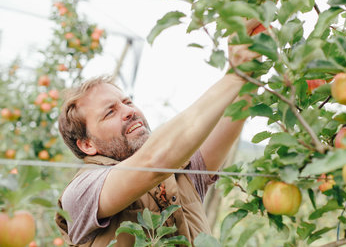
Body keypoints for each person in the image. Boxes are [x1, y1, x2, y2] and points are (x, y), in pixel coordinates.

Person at [55, 20, 261, 246]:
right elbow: (154, 161)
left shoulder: (180, 174)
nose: (128, 111)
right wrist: (234, 76)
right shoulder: (82, 192)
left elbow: (232, 116)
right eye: (109, 112)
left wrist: (250, 68)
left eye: (127, 102)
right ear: (87, 145)